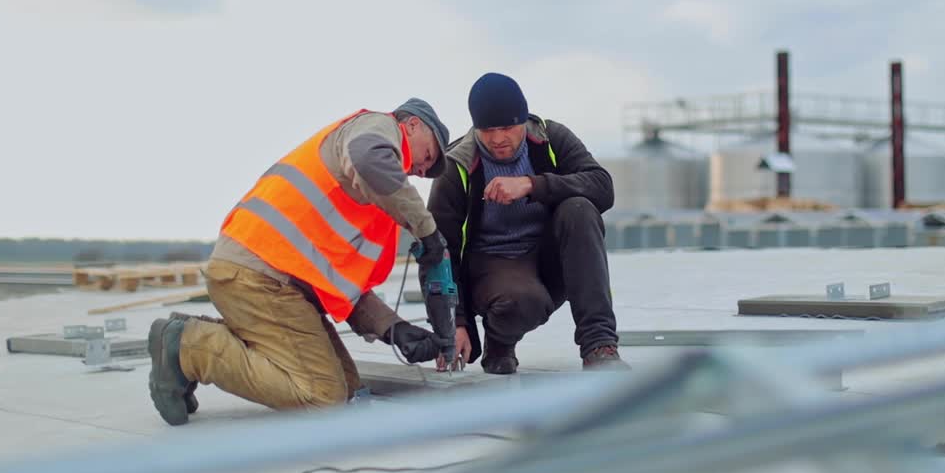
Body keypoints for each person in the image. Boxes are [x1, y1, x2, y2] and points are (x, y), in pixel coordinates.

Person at [147, 99, 454, 426]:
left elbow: (339, 283)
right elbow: (368, 156)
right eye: (428, 156)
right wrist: (427, 230)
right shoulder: (378, 129)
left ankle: (186, 338)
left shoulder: (370, 195)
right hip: (258, 275)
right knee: (323, 398)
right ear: (412, 125)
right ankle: (188, 346)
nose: (422, 171)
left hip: (273, 278)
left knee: (350, 390)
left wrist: (393, 329)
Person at [428, 73, 627, 374]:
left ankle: (599, 346)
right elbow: (439, 250)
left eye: (507, 127)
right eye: (488, 130)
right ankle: (500, 340)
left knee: (580, 209)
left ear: (523, 120)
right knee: (524, 302)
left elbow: (602, 187)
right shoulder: (456, 166)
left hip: (549, 259)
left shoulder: (551, 138)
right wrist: (454, 323)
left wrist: (532, 184)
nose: (498, 139)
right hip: (493, 268)